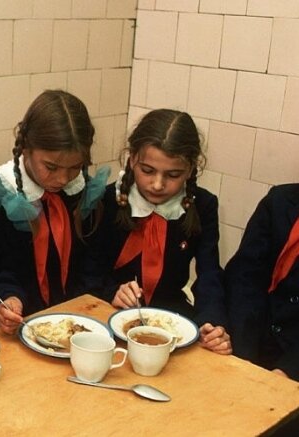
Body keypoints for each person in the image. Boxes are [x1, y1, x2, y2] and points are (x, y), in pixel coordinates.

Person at [92, 108, 231, 354]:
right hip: (110, 314)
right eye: (147, 171)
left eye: (173, 175)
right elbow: (88, 270)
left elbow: (209, 273)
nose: (157, 184)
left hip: (171, 319)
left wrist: (212, 324)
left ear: (191, 169)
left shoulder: (203, 205)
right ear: (132, 159)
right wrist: (111, 291)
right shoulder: (108, 201)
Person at [0, 89, 109, 335]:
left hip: (78, 323)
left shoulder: (84, 193)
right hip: (19, 326)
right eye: (51, 167)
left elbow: (93, 265)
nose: (62, 179)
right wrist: (8, 300)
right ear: (26, 147)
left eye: (75, 167)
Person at [225, 184, 299, 380]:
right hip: (254, 338)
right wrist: (243, 354)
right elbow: (244, 276)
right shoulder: (279, 200)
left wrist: (288, 370)